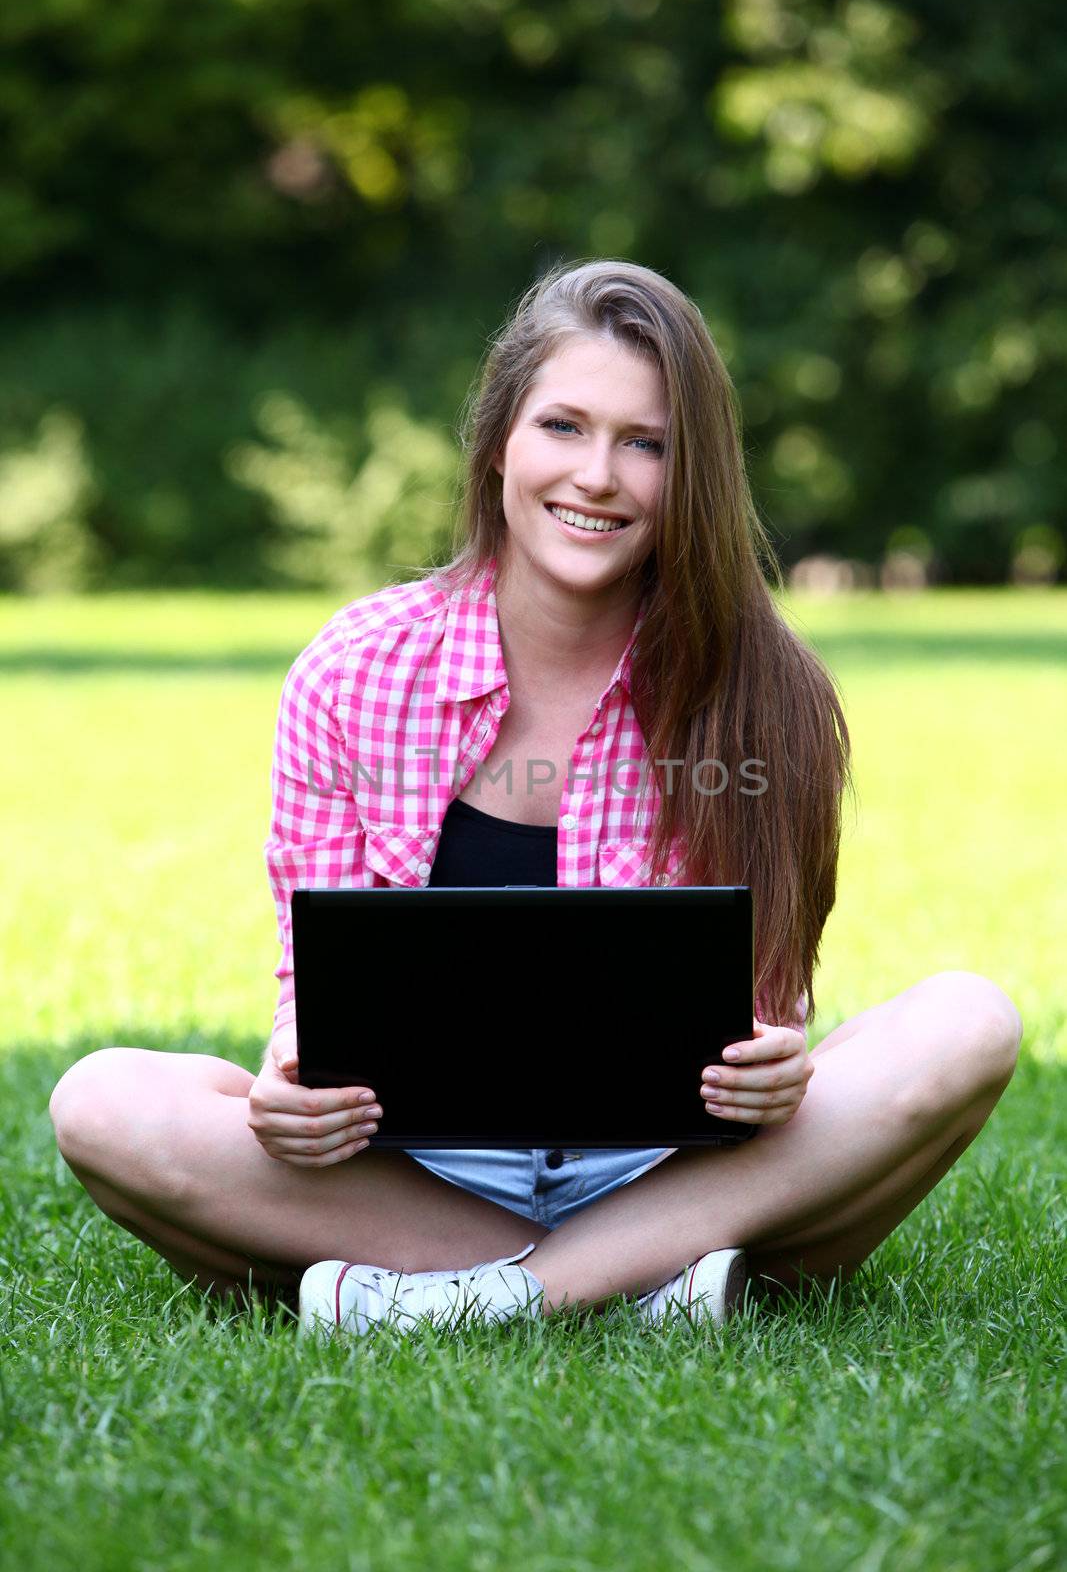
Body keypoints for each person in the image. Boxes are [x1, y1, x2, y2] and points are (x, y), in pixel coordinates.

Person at [48, 259, 1022, 1340]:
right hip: (415, 1169)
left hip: (675, 1166)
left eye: (644, 443)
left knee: (967, 1022)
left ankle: (497, 1299)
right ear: (499, 440)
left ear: (689, 471)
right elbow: (307, 978)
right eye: (563, 425)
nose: (596, 475)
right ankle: (639, 1287)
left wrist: (772, 1063)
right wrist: (291, 1082)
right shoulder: (355, 669)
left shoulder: (767, 691)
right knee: (100, 1100)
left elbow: (767, 1001)